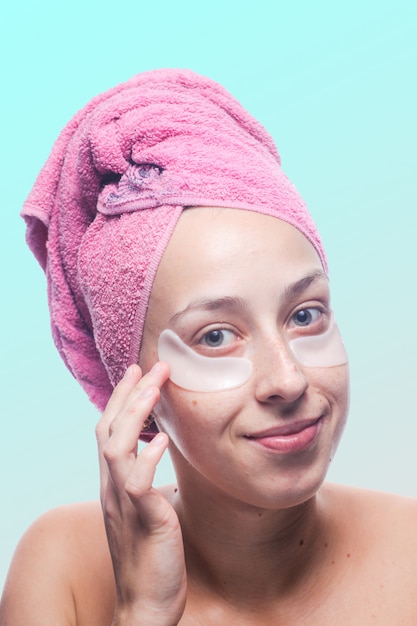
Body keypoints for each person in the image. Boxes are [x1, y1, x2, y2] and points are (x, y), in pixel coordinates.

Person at [1, 69, 416, 626]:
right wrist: (141, 612)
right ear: (135, 383)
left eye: (304, 315)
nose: (288, 380)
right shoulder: (62, 571)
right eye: (215, 336)